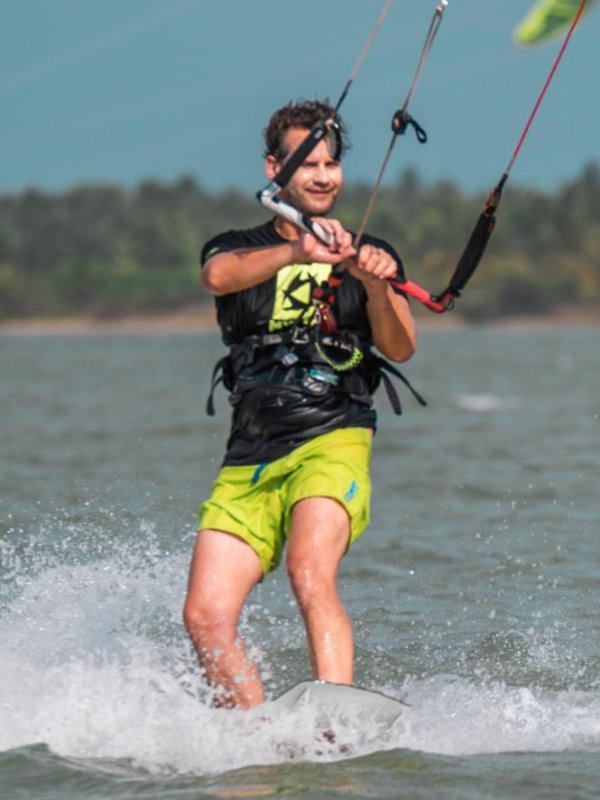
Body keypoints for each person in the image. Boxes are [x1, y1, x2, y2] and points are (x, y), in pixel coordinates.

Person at [183, 99, 417, 709]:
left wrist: (376, 286)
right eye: (307, 164)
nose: (321, 176)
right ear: (274, 169)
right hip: (250, 453)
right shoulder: (239, 247)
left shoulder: (371, 250)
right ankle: (252, 733)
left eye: (330, 164)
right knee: (205, 615)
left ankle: (336, 717)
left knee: (309, 572)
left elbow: (401, 346)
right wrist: (299, 252)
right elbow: (216, 277)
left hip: (334, 436)